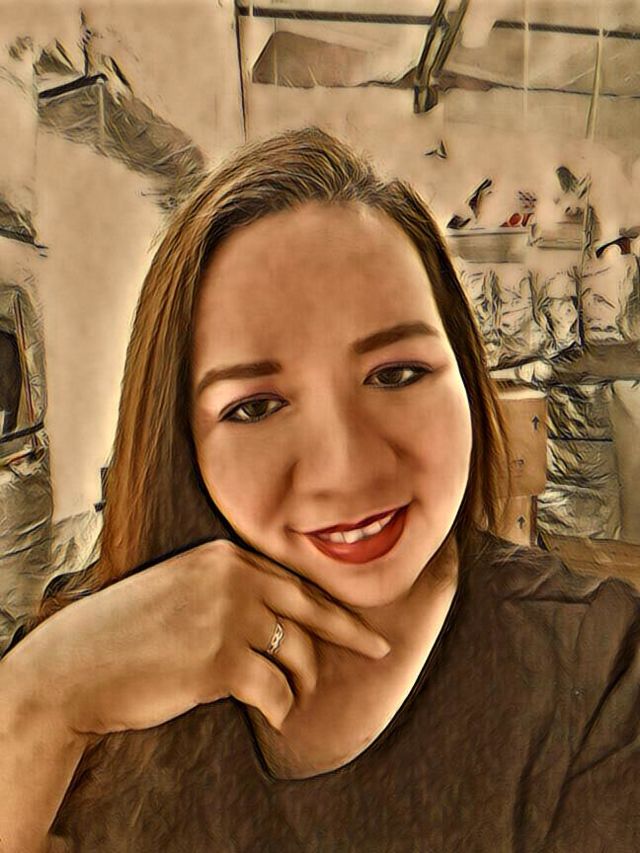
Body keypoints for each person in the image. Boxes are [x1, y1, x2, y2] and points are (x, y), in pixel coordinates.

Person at [0, 127, 638, 853]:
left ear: (466, 370)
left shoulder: (599, 666)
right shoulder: (82, 654)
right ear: (180, 436)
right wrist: (36, 700)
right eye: (255, 407)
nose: (347, 470)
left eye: (397, 373)